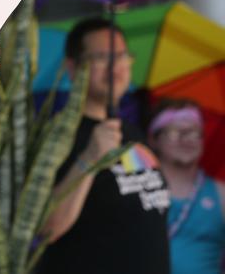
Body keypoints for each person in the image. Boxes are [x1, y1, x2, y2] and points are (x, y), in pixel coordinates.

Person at [39, 17, 171, 274]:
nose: (115, 68)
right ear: (73, 68)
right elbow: (46, 229)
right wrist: (89, 159)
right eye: (101, 58)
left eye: (121, 56)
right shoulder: (56, 137)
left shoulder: (132, 133)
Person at [148, 98, 225, 274]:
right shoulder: (132, 191)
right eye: (175, 132)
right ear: (153, 138)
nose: (187, 140)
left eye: (194, 133)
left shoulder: (221, 195)